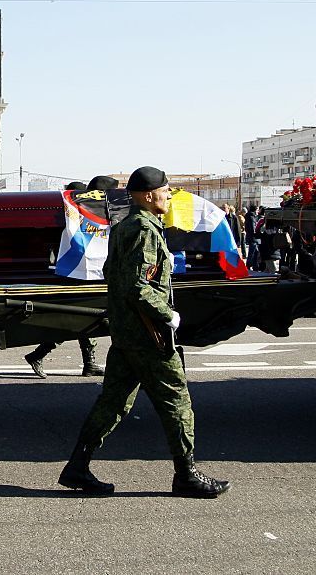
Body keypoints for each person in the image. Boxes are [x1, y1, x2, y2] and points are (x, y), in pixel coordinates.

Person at [57, 166, 230, 499]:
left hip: (126, 332)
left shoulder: (124, 227)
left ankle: (77, 466)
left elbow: (112, 272)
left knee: (113, 403)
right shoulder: (144, 229)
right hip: (148, 336)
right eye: (165, 191)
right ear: (149, 195)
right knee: (176, 402)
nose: (168, 196)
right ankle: (186, 475)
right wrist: (169, 315)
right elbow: (138, 286)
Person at [24, 178, 106, 378]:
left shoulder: (80, 215)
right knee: (76, 320)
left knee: (85, 319)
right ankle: (39, 354)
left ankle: (89, 363)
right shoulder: (73, 217)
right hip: (74, 274)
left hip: (79, 272)